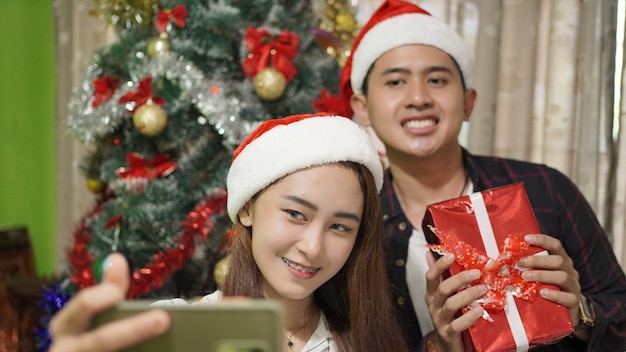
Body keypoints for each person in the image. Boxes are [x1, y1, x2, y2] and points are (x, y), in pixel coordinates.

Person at [338, 0, 626, 351]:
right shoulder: (355, 226)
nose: (418, 97)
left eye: (437, 79)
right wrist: (439, 346)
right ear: (362, 109)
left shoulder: (545, 190)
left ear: (469, 101)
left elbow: (620, 314)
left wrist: (580, 311)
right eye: (396, 81)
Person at [48, 112, 409, 352]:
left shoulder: (366, 339)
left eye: (340, 227)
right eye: (296, 214)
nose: (313, 247)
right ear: (248, 208)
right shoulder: (174, 332)